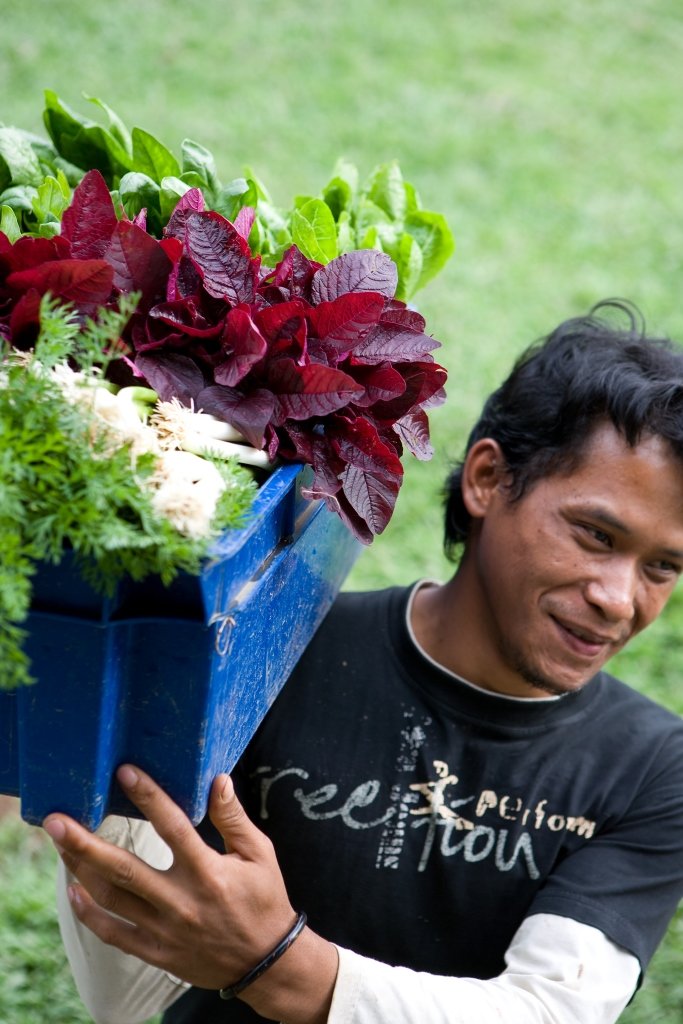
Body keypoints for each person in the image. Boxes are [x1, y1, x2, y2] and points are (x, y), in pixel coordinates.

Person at [44, 300, 683, 1024]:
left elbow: (546, 1012)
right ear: (486, 480)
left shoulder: (653, 770)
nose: (618, 598)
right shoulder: (275, 650)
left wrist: (279, 964)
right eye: (596, 535)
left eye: (662, 567)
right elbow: (125, 994)